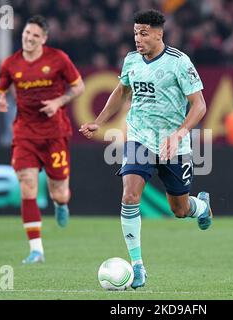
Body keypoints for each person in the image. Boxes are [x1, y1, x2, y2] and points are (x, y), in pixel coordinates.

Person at [80, 9, 213, 289]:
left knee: (179, 208)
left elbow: (199, 105)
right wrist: (99, 122)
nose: (137, 39)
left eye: (143, 33)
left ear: (158, 34)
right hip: (139, 138)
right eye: (135, 33)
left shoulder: (179, 62)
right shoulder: (131, 60)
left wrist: (178, 135)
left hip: (173, 143)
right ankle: (138, 266)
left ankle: (201, 207)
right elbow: (121, 91)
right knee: (130, 196)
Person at [0, 15, 85, 264]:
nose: (29, 38)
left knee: (59, 192)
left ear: (44, 39)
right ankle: (36, 250)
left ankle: (61, 204)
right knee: (27, 186)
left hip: (55, 134)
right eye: (26, 33)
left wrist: (58, 102)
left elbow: (79, 87)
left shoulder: (58, 59)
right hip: (25, 134)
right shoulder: (10, 64)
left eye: (34, 35)